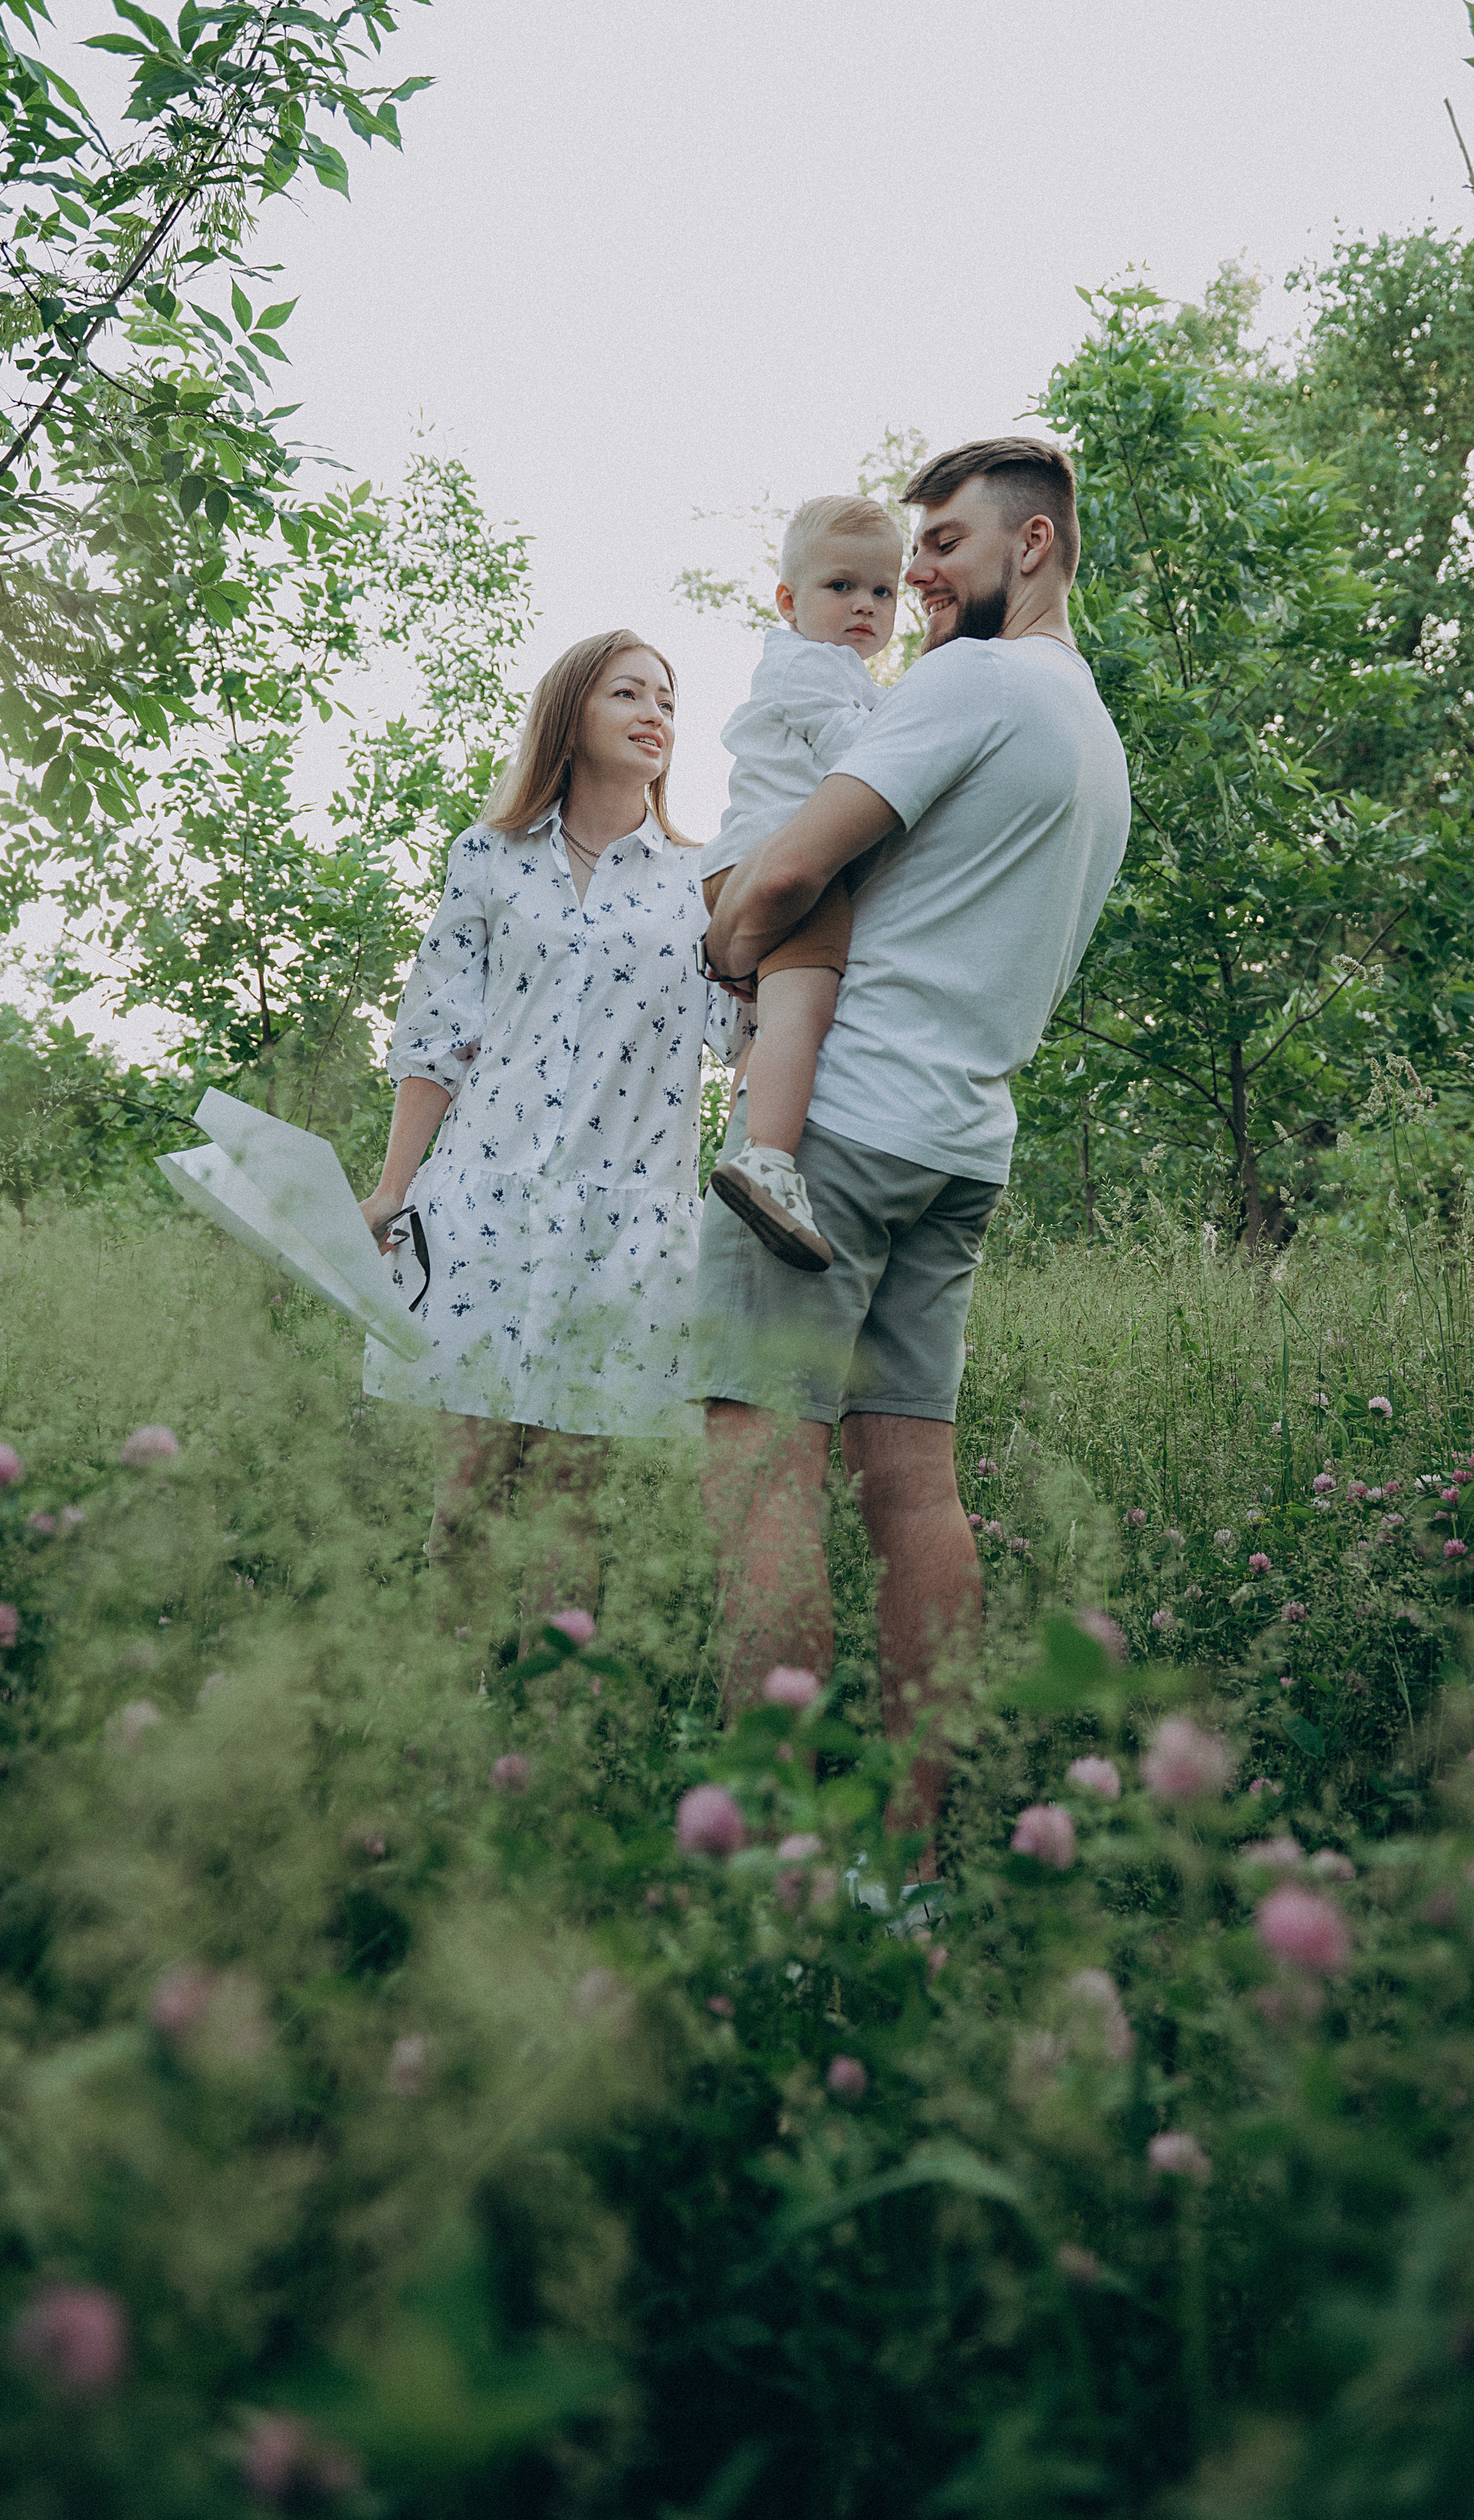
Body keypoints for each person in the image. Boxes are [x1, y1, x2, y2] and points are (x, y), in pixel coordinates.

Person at [695, 437, 1132, 1892]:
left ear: (1036, 547)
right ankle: (906, 1866)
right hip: (961, 1145)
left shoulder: (969, 683)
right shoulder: (1090, 734)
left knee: (759, 1473)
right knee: (915, 1496)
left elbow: (777, 872)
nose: (919, 574)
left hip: (834, 1131)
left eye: (944, 542)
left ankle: (779, 1856)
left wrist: (726, 947)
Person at [359, 628, 743, 1623]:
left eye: (667, 696)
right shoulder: (486, 859)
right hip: (481, 1211)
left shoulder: (702, 881)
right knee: (465, 1500)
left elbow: (743, 1034)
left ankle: (543, 1750)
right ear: (571, 714)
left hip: (625, 1228)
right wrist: (393, 1189)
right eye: (628, 692)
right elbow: (436, 1038)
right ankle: (439, 1734)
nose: (656, 711)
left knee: (574, 1519)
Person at [698, 494, 901, 1272]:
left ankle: (750, 1135)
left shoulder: (832, 668)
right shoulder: (807, 665)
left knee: (767, 1025)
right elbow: (859, 751)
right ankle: (771, 1160)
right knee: (803, 1017)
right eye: (841, 587)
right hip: (781, 859)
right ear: (787, 600)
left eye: (883, 592)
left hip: (749, 860)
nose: (864, 606)